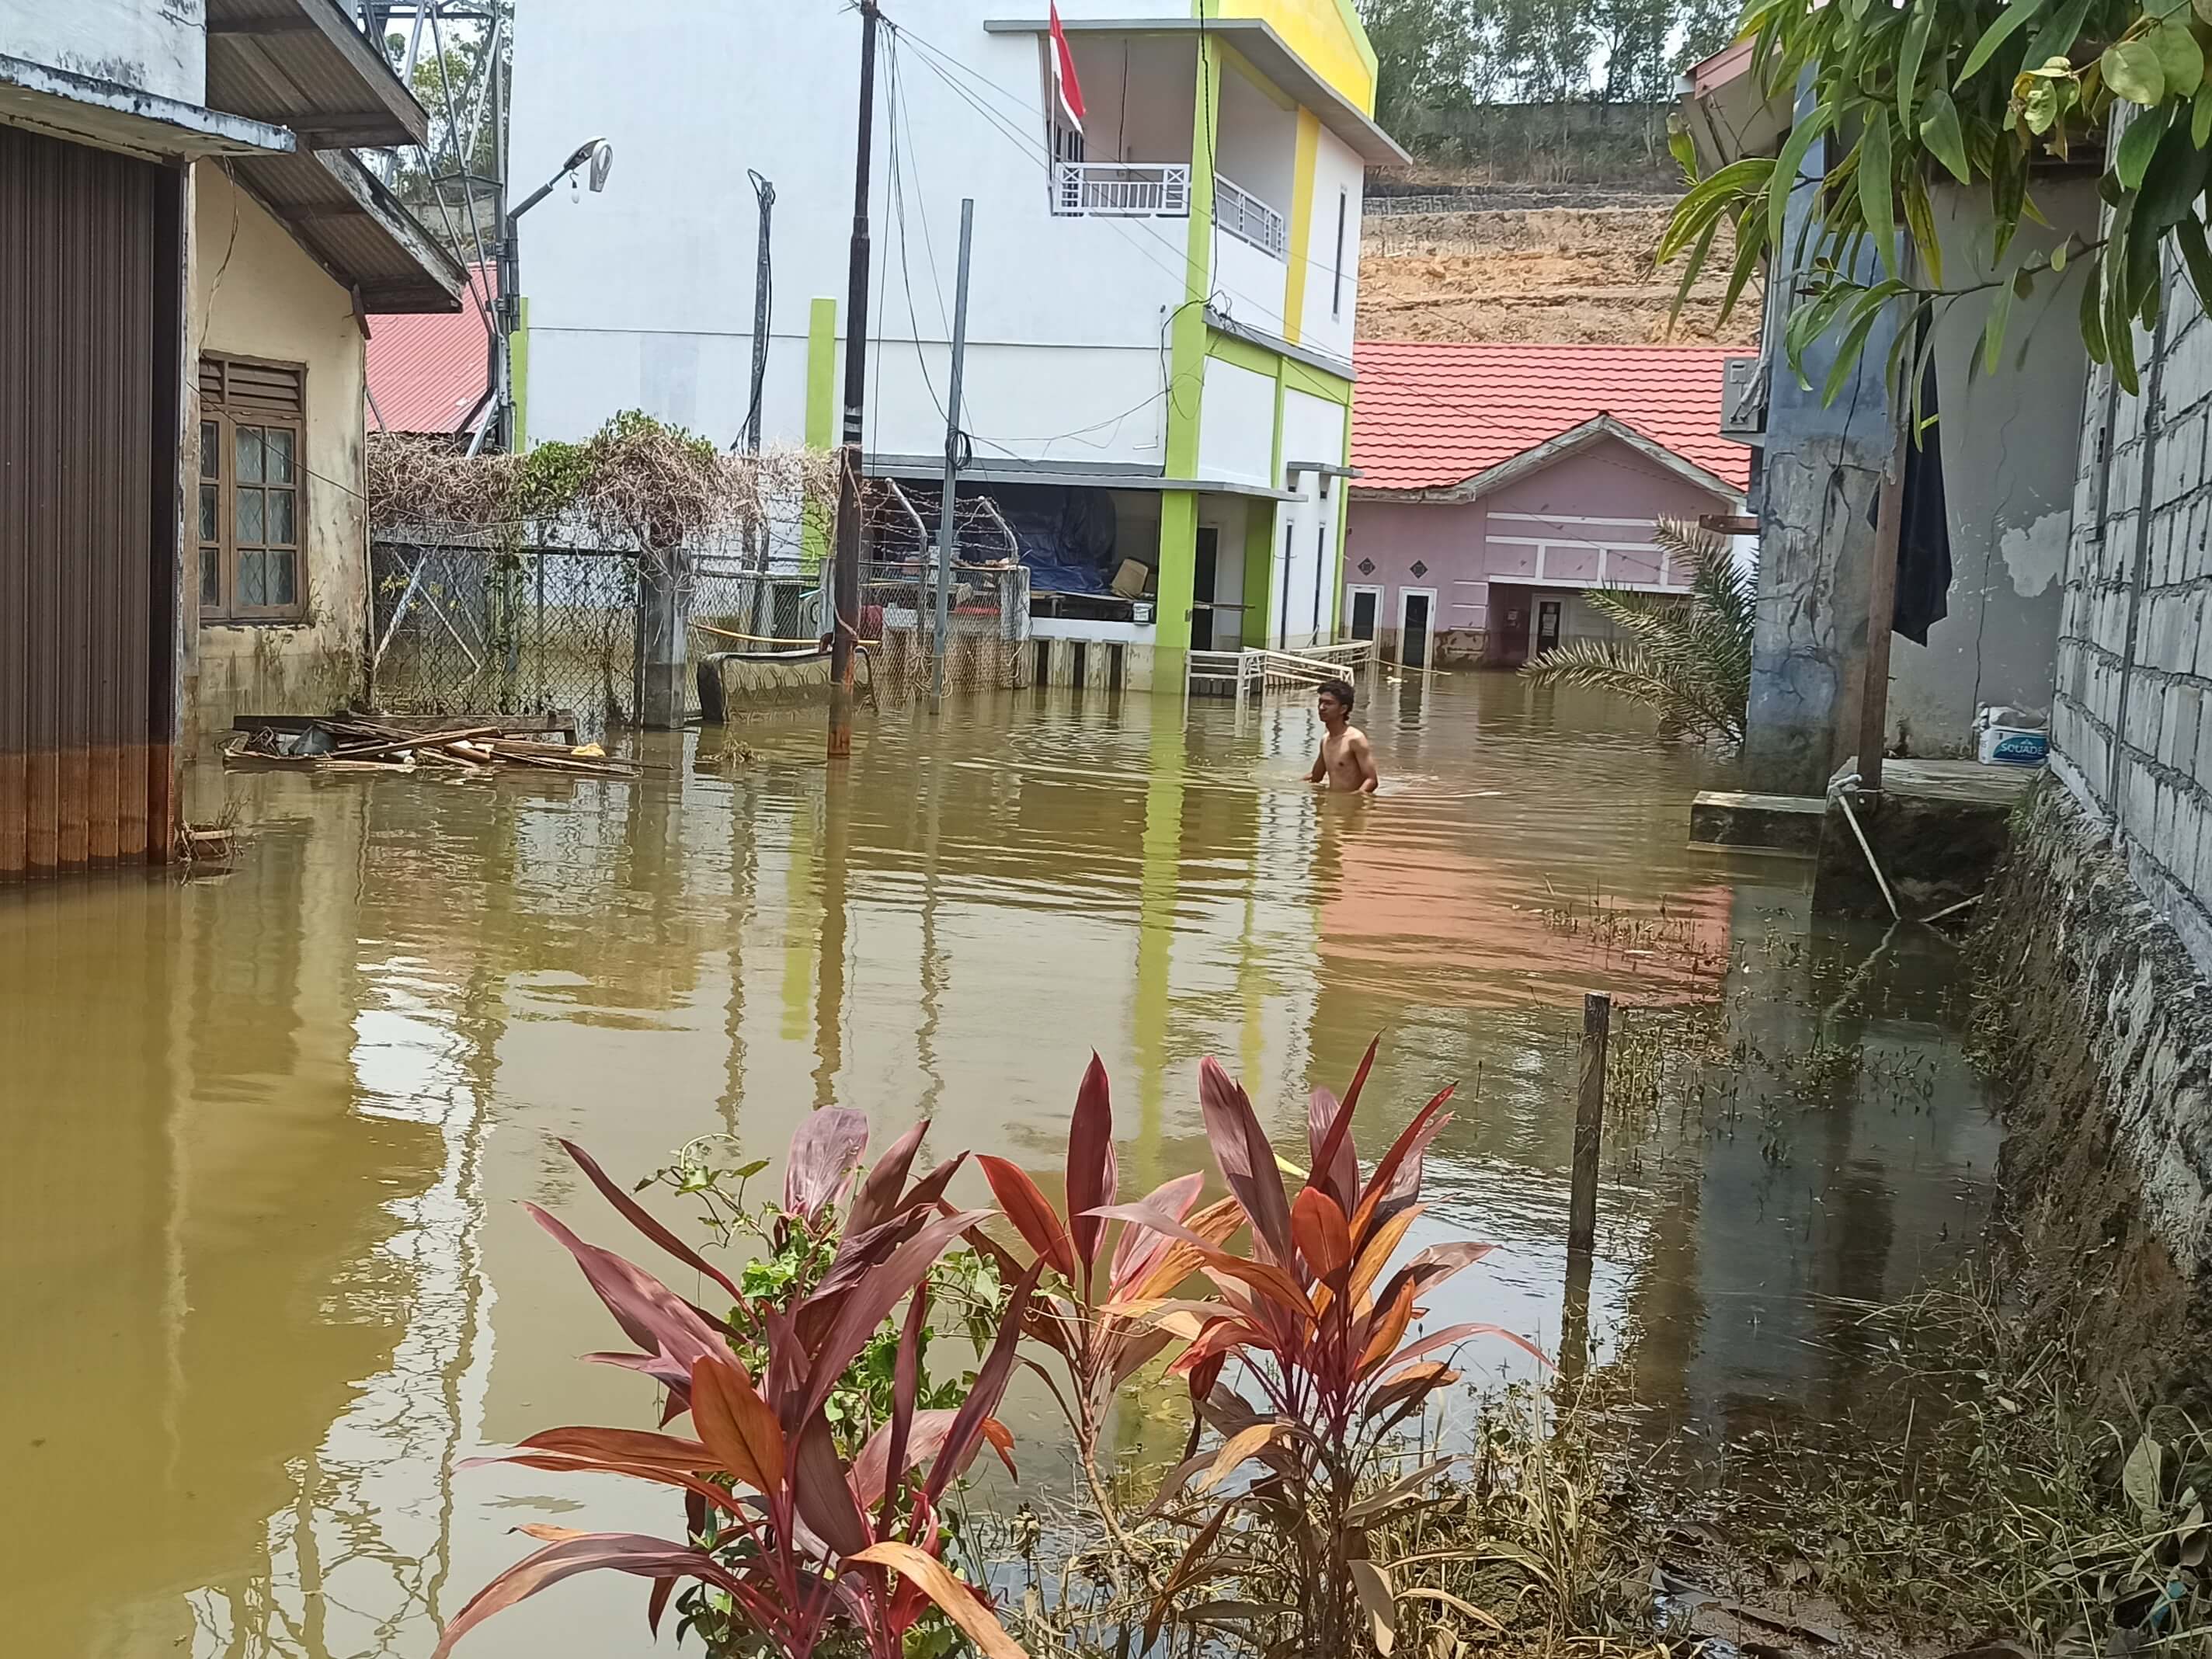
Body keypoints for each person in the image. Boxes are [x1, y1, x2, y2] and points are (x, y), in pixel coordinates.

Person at [1307, 678, 1379, 794]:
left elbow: (1371, 780)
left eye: (1328, 703)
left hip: (1351, 808)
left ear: (1343, 709)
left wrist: (1354, 798)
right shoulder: (1325, 740)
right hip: (1332, 805)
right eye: (1320, 702)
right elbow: (1316, 777)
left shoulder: (1355, 739)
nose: (1321, 708)